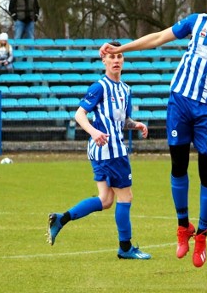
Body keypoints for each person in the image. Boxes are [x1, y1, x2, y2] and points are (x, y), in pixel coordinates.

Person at [99, 0, 207, 268]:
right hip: (180, 101)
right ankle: (182, 227)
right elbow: (158, 37)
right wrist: (120, 47)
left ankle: (201, 235)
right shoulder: (197, 21)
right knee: (177, 167)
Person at [47, 40, 151, 260]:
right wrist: (94, 132)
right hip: (110, 151)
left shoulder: (125, 89)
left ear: (123, 60)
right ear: (103, 60)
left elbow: (124, 120)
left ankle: (61, 219)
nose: (116, 60)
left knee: (105, 200)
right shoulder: (99, 87)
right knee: (126, 197)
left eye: (119, 56)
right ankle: (125, 248)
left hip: (104, 151)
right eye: (111, 57)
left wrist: (136, 124)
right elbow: (79, 115)